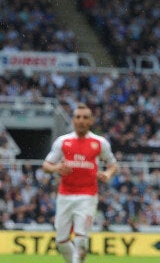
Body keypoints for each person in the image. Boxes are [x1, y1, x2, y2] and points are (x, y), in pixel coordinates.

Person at [42, 103, 118, 263]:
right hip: (65, 195)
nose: (81, 120)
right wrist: (56, 168)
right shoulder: (63, 141)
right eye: (78, 117)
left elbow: (113, 164)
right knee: (61, 242)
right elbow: (46, 165)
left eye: (85, 117)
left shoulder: (99, 142)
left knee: (81, 239)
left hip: (87, 196)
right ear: (73, 120)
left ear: (91, 121)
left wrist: (107, 173)